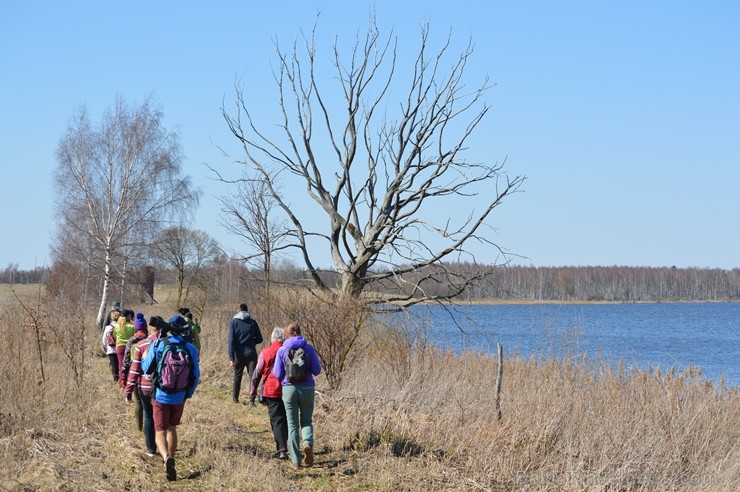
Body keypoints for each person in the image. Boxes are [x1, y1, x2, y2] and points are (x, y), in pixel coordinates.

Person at [142, 320, 200, 481]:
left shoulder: (159, 344)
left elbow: (146, 368)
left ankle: (166, 458)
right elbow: (196, 376)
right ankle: (172, 458)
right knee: (172, 429)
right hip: (179, 396)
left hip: (160, 395)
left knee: (159, 431)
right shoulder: (190, 348)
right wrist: (188, 393)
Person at [273, 322, 321, 468]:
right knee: (306, 421)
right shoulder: (308, 348)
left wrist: (286, 379)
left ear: (286, 335)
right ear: (300, 332)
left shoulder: (282, 350)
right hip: (307, 388)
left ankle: (296, 460)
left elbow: (277, 373)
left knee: (292, 424)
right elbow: (317, 370)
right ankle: (307, 443)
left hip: (289, 389)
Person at [124, 316, 161, 457]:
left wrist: (128, 391)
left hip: (145, 387)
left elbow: (134, 371)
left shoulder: (142, 345)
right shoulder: (167, 344)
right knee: (161, 416)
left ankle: (151, 449)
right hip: (163, 387)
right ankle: (163, 446)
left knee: (149, 416)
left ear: (151, 328)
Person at [250, 327, 288, 459]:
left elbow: (257, 373)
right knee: (288, 417)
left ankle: (281, 449)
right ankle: (290, 445)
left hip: (272, 390)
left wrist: (253, 391)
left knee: (276, 419)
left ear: (272, 339)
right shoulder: (289, 351)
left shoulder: (266, 352)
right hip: (289, 388)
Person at [228, 303, 263, 404]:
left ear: (238, 311)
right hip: (251, 353)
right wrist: (252, 342)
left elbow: (231, 341)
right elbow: (260, 339)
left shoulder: (234, 323)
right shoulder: (253, 322)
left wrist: (231, 357)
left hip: (238, 354)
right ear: (247, 312)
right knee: (253, 377)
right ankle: (252, 400)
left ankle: (235, 398)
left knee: (237, 376)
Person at [114, 310, 135, 383]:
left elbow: (114, 336)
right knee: (129, 364)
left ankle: (122, 382)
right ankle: (129, 380)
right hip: (129, 346)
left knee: (121, 364)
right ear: (128, 316)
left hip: (119, 346)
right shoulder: (132, 326)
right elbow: (134, 336)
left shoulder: (116, 326)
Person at [101, 311, 121, 382]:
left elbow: (104, 338)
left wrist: (105, 347)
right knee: (119, 364)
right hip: (119, 348)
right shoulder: (121, 327)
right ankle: (120, 378)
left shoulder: (108, 327)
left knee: (113, 364)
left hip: (110, 349)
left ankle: (115, 379)